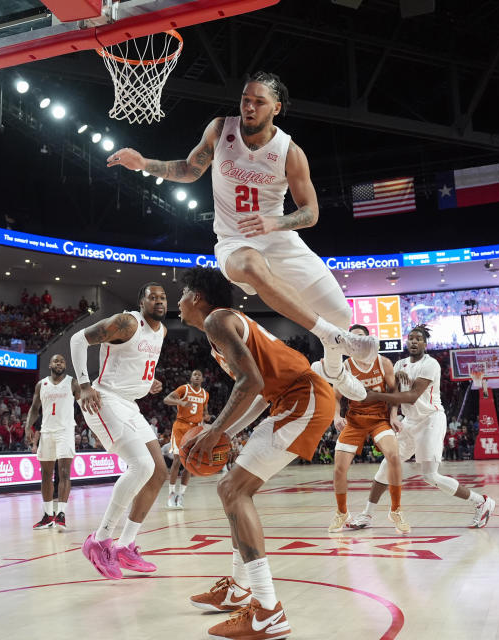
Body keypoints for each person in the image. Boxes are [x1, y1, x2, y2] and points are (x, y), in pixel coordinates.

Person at [107, 72, 375, 402]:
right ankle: (328, 336)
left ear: (276, 107)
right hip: (234, 242)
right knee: (249, 265)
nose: (249, 106)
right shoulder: (221, 130)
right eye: (246, 99)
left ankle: (334, 368)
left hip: (276, 237)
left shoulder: (289, 152)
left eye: (258, 102)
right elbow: (190, 170)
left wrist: (274, 222)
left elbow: (310, 213)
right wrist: (144, 163)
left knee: (342, 315)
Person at [178, 267, 336, 640]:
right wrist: (223, 431)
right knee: (230, 489)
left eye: (183, 292)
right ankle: (238, 588)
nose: (179, 301)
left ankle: (267, 611)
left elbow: (252, 383)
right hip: (289, 399)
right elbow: (257, 390)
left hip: (303, 397)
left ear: (197, 296)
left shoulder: (217, 320)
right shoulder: (220, 328)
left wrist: (214, 430)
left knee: (233, 489)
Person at [348, 326, 496, 531]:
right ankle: (366, 515)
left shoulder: (431, 364)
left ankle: (481, 501)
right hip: (409, 421)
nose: (414, 342)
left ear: (425, 344)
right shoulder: (399, 364)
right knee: (385, 467)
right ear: (406, 343)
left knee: (430, 476)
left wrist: (375, 396)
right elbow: (394, 392)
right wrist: (392, 415)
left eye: (418, 339)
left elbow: (411, 396)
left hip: (430, 420)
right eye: (411, 338)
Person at [72, 283, 170, 579]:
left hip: (129, 403)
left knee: (159, 472)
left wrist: (147, 382)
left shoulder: (162, 331)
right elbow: (78, 339)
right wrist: (85, 385)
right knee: (141, 465)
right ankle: (99, 540)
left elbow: (136, 362)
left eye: (163, 297)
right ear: (141, 302)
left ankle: (125, 546)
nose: (159, 301)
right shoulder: (127, 322)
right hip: (104, 399)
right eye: (152, 297)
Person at [325, 325, 403, 533]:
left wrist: (394, 416)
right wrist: (336, 415)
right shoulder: (346, 366)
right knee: (339, 468)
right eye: (353, 339)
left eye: (361, 338)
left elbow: (394, 392)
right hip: (356, 420)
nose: (357, 342)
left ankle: (396, 510)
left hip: (379, 418)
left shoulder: (384, 362)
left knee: (393, 456)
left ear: (369, 341)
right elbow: (336, 395)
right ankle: (342, 513)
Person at [26, 353, 81, 531]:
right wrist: (28, 427)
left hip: (65, 431)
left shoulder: (72, 382)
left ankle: (62, 514)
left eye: (62, 360)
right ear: (50, 364)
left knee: (64, 473)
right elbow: (34, 408)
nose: (59, 363)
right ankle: (48, 515)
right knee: (45, 475)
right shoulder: (41, 384)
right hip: (47, 431)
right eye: (56, 360)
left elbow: (83, 404)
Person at [162, 369, 210, 509]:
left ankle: (181, 495)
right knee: (177, 460)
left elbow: (205, 411)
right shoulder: (184, 389)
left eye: (199, 375)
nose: (196, 376)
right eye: (194, 374)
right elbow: (167, 399)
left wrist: (206, 417)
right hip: (180, 427)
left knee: (189, 463)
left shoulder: (205, 394)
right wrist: (181, 403)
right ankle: (171, 494)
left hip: (194, 430)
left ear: (202, 379)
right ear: (191, 378)